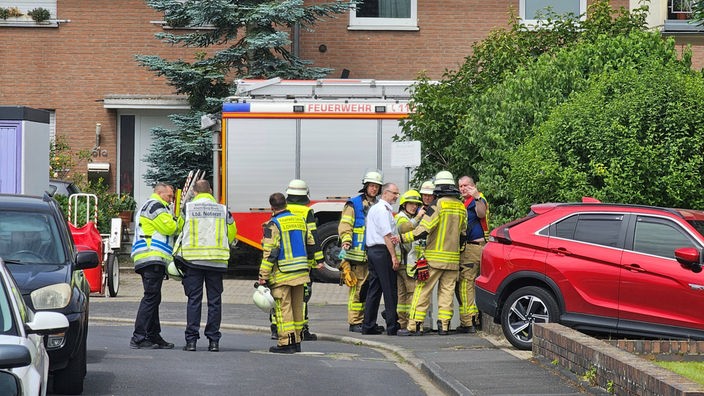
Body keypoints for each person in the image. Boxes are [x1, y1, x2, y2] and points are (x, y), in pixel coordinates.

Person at [397, 171, 467, 336]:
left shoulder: (437, 205)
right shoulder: (461, 206)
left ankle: (414, 326)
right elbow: (464, 234)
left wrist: (402, 238)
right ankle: (444, 326)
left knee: (422, 290)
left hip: (434, 259)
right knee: (446, 293)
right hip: (453, 260)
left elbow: (423, 230)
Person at [175, 179, 237, 352]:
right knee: (214, 301)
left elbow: (180, 229)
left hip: (193, 261)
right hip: (216, 262)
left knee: (194, 300)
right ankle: (214, 341)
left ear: (194, 192)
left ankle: (191, 341)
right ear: (210, 191)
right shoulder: (223, 210)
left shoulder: (188, 209)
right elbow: (232, 232)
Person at [259, 193, 321, 353]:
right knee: (297, 307)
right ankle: (297, 341)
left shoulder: (272, 225)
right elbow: (311, 243)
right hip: (301, 272)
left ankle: (286, 343)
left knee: (283, 308)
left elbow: (269, 253)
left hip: (282, 274)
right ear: (286, 204)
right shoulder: (300, 220)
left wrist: (263, 276)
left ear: (272, 207)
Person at [130, 182, 178, 349]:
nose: (171, 200)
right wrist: (176, 219)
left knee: (153, 297)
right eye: (169, 196)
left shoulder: (149, 205)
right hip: (152, 256)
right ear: (159, 192)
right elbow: (170, 228)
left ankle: (153, 335)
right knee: (151, 297)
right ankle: (139, 337)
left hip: (148, 257)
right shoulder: (156, 206)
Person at [338, 170, 383, 333]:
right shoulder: (354, 203)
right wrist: (346, 240)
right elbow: (345, 225)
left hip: (372, 254)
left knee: (368, 290)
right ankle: (354, 321)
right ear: (366, 186)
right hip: (357, 255)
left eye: (377, 186)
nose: (374, 189)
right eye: (371, 186)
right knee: (357, 290)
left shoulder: (378, 205)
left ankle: (366, 320)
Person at [362, 183, 402, 335]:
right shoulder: (383, 210)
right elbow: (387, 236)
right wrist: (393, 256)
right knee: (389, 289)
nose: (396, 196)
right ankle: (392, 326)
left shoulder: (375, 208)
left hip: (373, 251)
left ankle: (368, 325)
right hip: (382, 251)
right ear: (385, 193)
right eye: (394, 193)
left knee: (375, 288)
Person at [456, 175, 488, 334]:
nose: (463, 188)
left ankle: (468, 321)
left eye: (466, 185)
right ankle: (473, 318)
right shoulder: (466, 202)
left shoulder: (478, 199)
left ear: (474, 186)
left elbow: (481, 214)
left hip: (473, 248)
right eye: (460, 186)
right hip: (476, 248)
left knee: (465, 283)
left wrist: (476, 196)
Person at [394, 189, 425, 331]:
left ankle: (402, 322)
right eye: (410, 204)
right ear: (403, 205)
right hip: (407, 264)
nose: (414, 206)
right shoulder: (402, 217)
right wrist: (418, 217)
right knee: (412, 294)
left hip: (404, 263)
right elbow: (404, 228)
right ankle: (410, 323)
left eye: (416, 204)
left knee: (402, 294)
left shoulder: (407, 216)